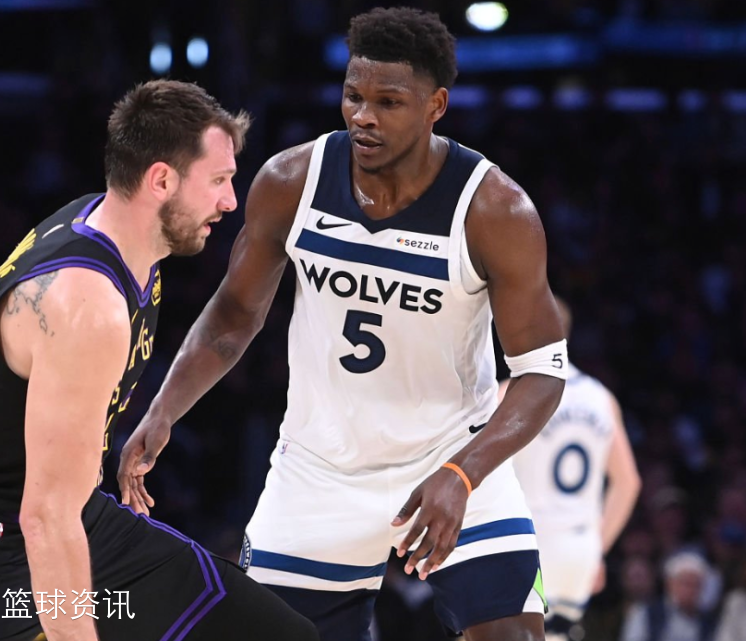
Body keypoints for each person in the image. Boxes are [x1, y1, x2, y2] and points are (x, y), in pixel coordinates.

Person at [0, 80, 318, 641]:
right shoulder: (88, 307)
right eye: (218, 181)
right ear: (161, 180)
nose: (230, 201)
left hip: (70, 515)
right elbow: (45, 518)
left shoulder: (96, 221)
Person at [118, 7, 567, 641]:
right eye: (354, 96)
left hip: (449, 458)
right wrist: (165, 409)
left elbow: (543, 372)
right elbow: (233, 315)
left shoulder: (495, 210)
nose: (363, 116)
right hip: (318, 472)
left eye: (389, 102)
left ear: (436, 106)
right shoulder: (291, 181)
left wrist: (464, 472)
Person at [505, 296, 642, 641]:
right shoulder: (602, 398)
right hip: (578, 552)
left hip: (528, 546)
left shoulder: (509, 394)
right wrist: (597, 547)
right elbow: (628, 483)